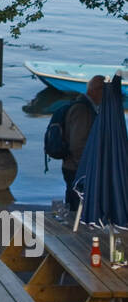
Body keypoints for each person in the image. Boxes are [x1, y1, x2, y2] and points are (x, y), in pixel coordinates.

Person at [62, 75, 105, 209]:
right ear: (97, 90)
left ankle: (71, 225)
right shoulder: (83, 110)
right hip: (76, 168)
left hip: (75, 166)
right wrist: (86, 168)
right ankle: (71, 228)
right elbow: (77, 143)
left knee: (75, 202)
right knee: (76, 205)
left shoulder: (87, 107)